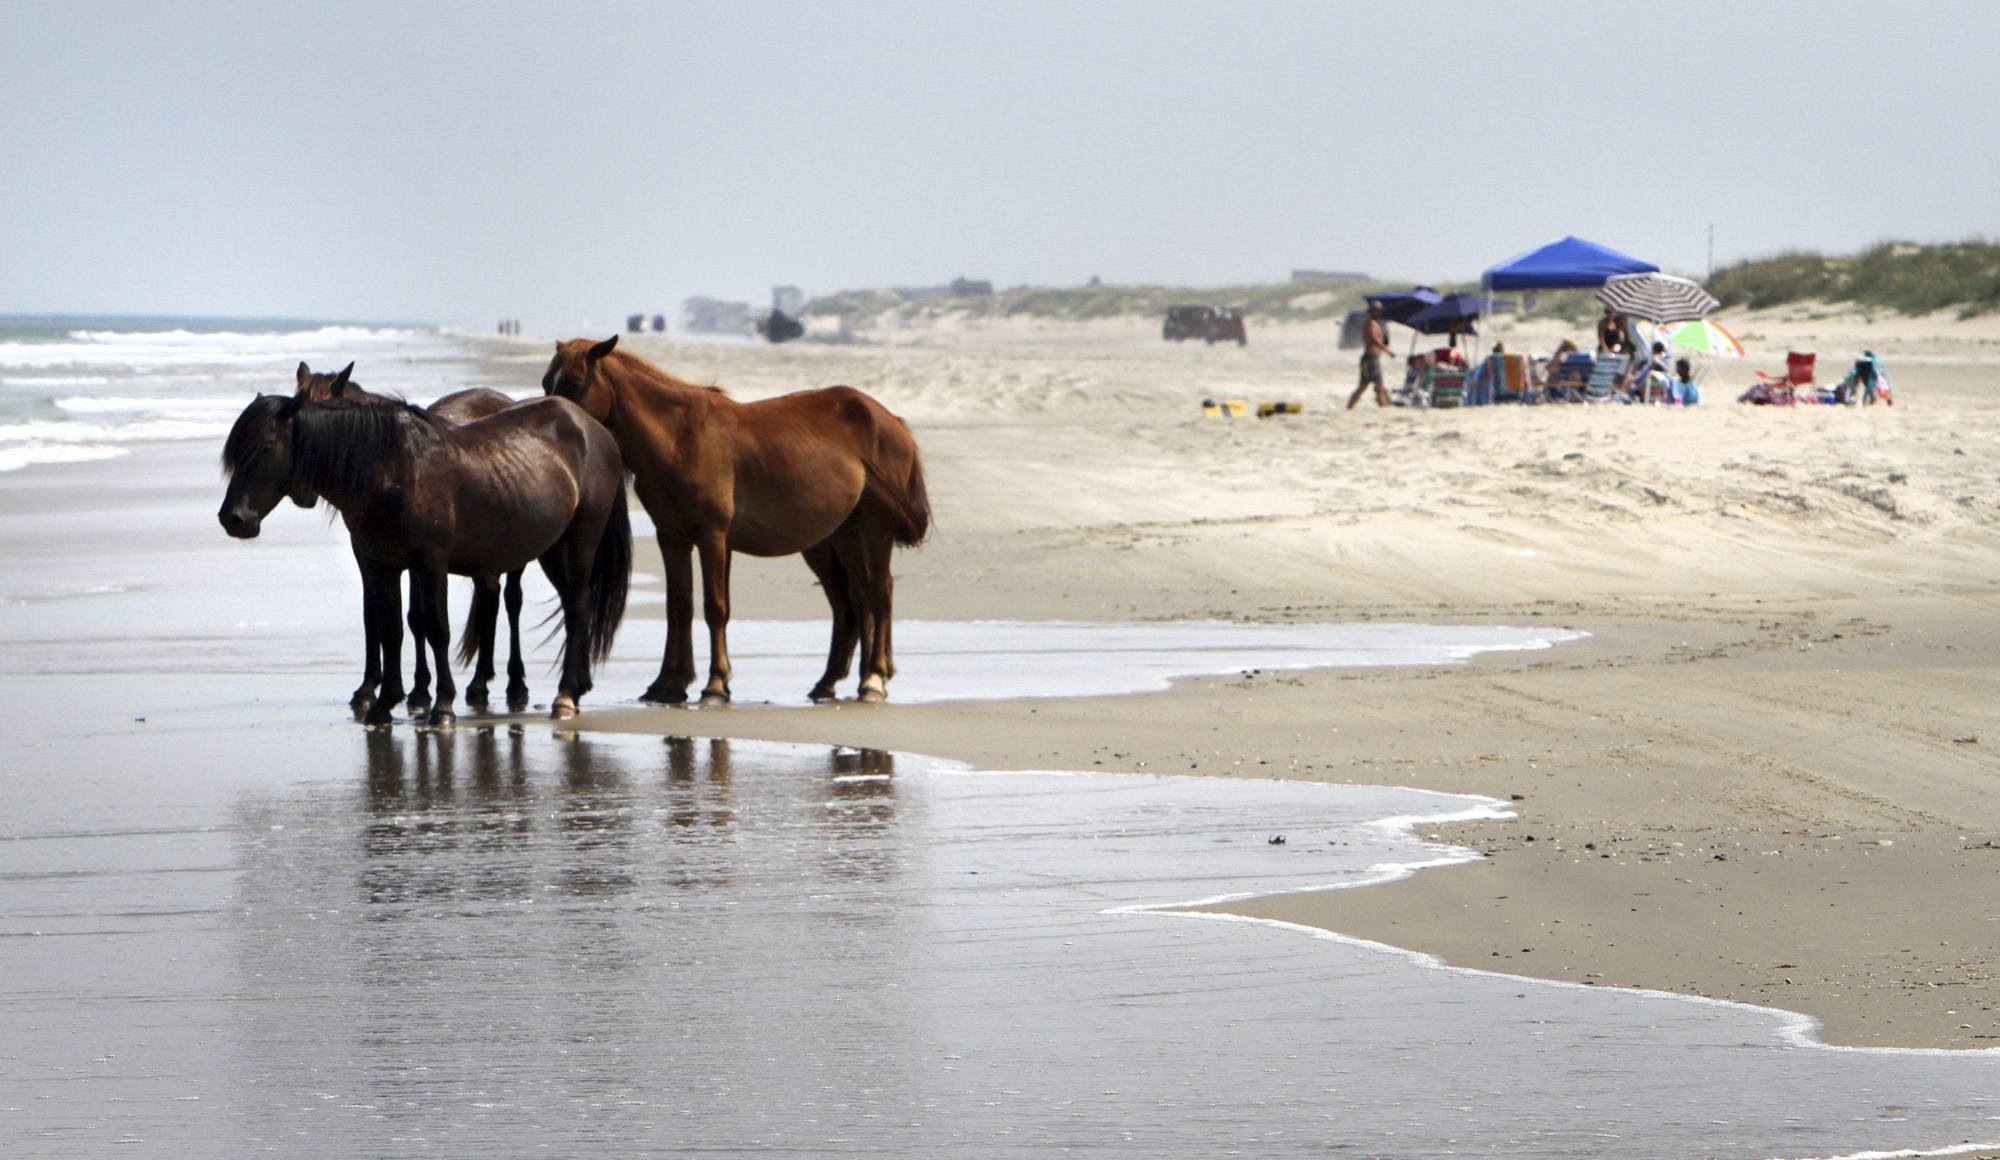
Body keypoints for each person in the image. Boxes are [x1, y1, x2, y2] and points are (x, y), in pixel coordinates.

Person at [1347, 301, 1397, 409]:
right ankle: (1350, 407)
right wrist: (1388, 350)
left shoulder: (1374, 324)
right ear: (1371, 312)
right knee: (1367, 386)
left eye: (1379, 311)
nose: (1378, 313)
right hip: (1370, 359)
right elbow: (1374, 339)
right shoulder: (1370, 324)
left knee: (1376, 385)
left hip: (1373, 359)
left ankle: (1381, 407)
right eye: (1376, 311)